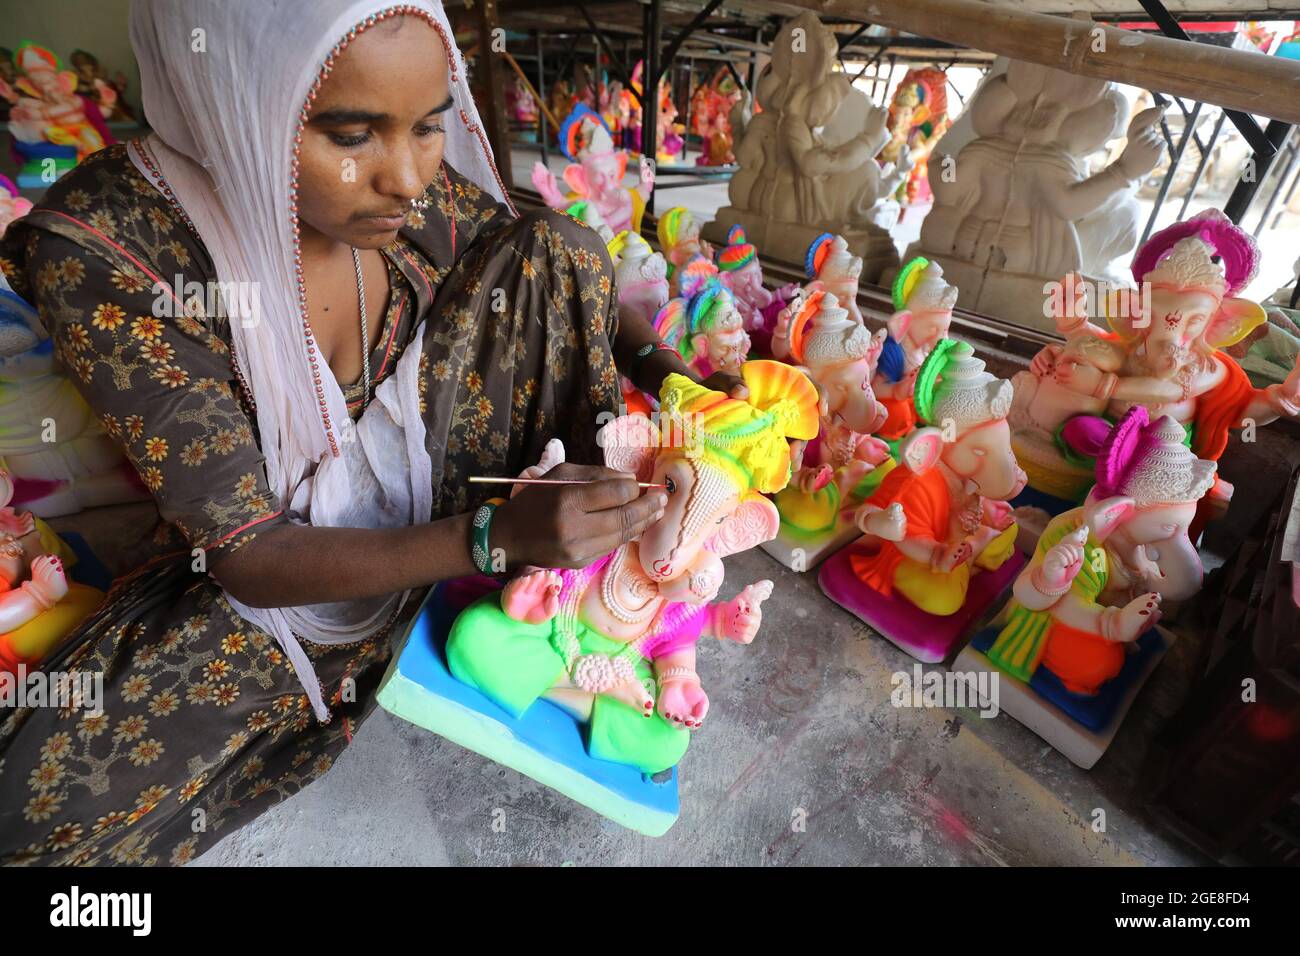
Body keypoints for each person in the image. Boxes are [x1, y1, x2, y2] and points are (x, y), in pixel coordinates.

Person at [0, 0, 743, 866]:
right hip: (275, 562)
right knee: (31, 811)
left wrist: (670, 374)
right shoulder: (111, 242)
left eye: (429, 128)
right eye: (351, 136)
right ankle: (488, 591)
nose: (409, 179)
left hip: (444, 465)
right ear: (236, 94)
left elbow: (522, 247)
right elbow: (244, 551)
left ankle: (570, 601)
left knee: (554, 247)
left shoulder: (405, 197)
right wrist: (488, 537)